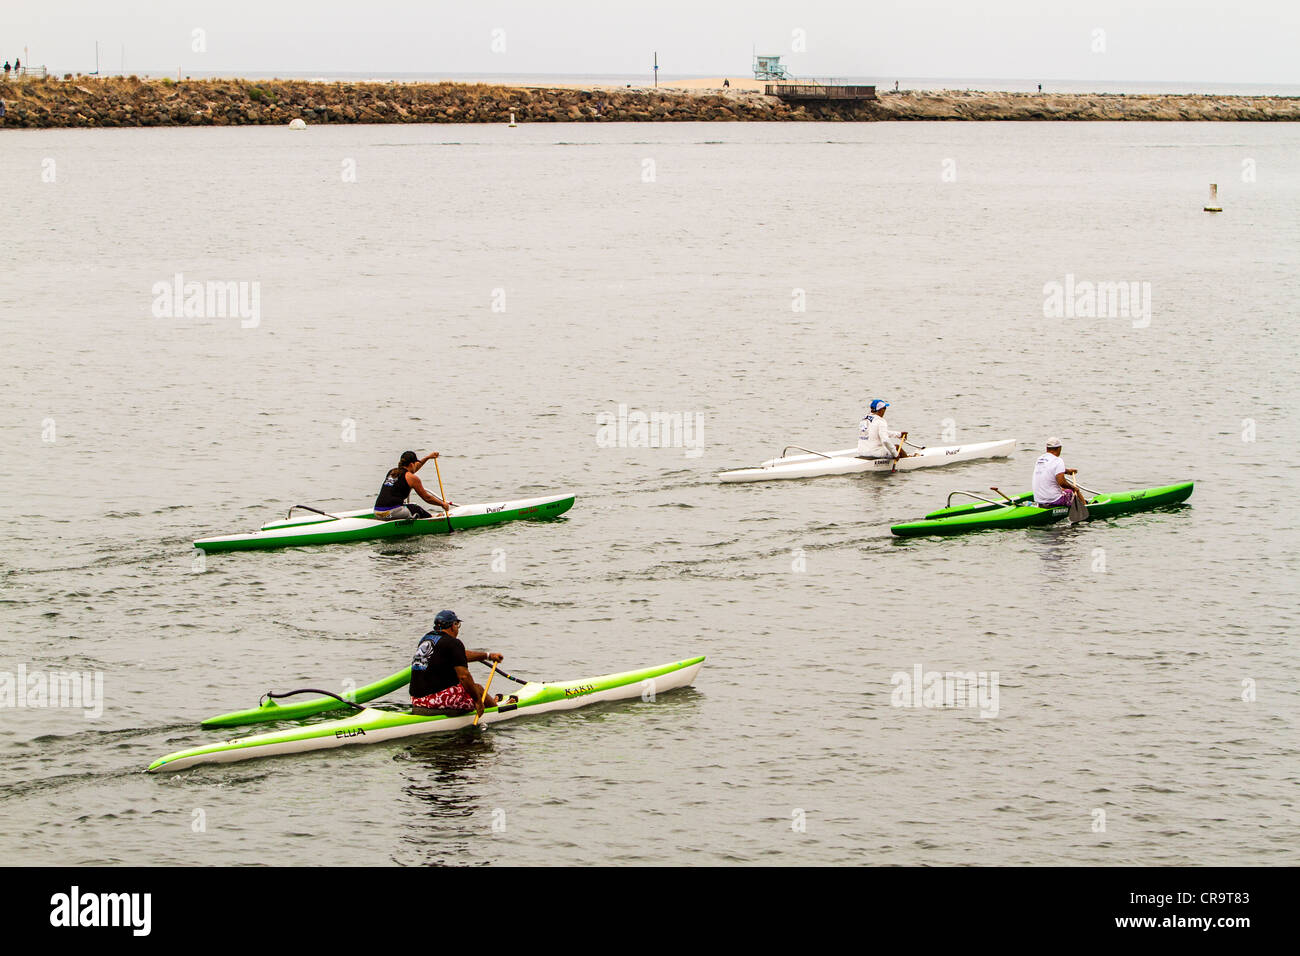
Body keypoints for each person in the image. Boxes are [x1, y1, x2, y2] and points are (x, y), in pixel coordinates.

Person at [409, 611, 503, 718]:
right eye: (457, 625)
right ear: (452, 626)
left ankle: (489, 704)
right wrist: (477, 701)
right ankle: (496, 713)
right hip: (437, 703)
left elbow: (460, 655)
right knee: (478, 689)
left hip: (416, 701)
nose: (458, 628)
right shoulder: (453, 643)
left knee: (470, 689)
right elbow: (463, 676)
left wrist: (488, 655)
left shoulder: (426, 639)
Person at [373, 450, 454, 520]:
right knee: (416, 509)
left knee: (409, 506)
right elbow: (427, 498)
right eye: (415, 463)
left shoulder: (392, 472)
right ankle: (432, 519)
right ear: (412, 464)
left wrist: (428, 457)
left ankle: (429, 516)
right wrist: (442, 504)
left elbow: (413, 469)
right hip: (390, 514)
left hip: (378, 513)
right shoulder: (412, 478)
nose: (416, 465)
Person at [1032, 437, 1080, 506]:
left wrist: (1067, 471)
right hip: (1054, 500)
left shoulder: (1039, 459)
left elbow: (1050, 469)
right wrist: (1073, 488)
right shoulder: (1058, 460)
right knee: (1071, 491)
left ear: (1047, 448)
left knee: (1063, 488)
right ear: (1059, 448)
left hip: (1039, 500)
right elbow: (1062, 482)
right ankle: (1085, 506)